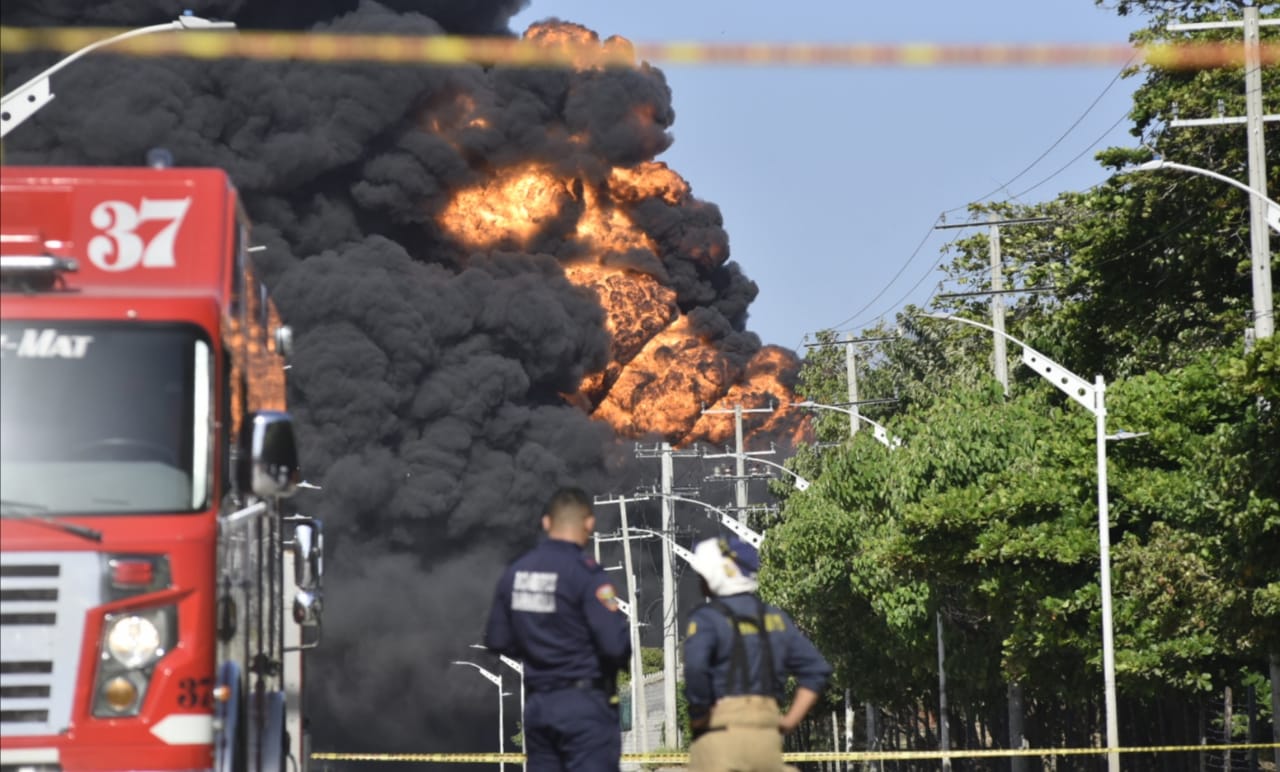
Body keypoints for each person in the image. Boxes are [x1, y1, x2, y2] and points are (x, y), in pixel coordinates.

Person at [484, 487, 631, 771]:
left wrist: (538, 649)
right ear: (589, 523)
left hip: (539, 707)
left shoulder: (516, 573)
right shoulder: (588, 575)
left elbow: (497, 639)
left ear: (546, 523)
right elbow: (615, 645)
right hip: (584, 705)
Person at [683, 535, 832, 772]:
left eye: (704, 575)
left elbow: (696, 668)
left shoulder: (707, 618)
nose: (701, 581)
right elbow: (816, 671)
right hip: (767, 736)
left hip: (720, 731)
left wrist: (699, 713)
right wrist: (789, 721)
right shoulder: (775, 618)